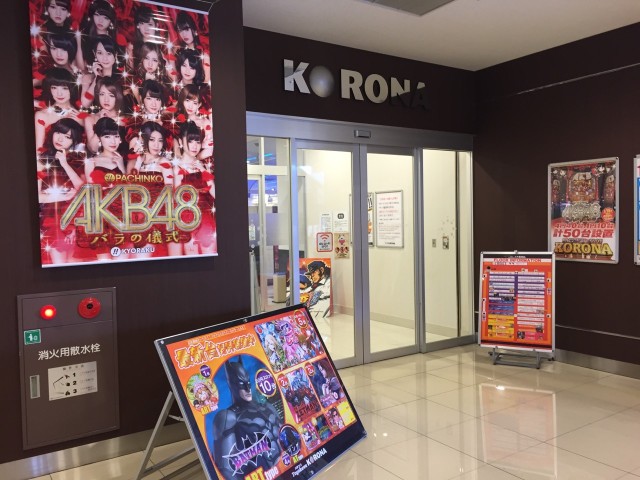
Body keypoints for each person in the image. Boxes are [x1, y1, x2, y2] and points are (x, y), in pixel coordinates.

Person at [212, 356, 282, 479]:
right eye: (241, 384)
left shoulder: (267, 407)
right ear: (232, 384)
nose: (247, 388)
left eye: (248, 383)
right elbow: (226, 470)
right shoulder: (228, 418)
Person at [37, 118, 85, 265]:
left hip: (75, 219)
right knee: (60, 266)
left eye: (67, 137)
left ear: (74, 141)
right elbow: (38, 197)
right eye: (58, 132)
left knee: (75, 265)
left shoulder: (76, 161)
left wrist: (64, 163)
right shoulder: (42, 160)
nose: (60, 139)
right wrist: (63, 196)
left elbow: (81, 188)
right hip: (52, 219)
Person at [81, 117, 126, 261]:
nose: (113, 141)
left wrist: (121, 166)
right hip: (101, 216)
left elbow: (129, 189)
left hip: (121, 216)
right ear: (99, 138)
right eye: (107, 136)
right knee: (104, 261)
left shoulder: (122, 160)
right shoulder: (91, 162)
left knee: (124, 262)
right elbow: (90, 193)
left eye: (116, 136)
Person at [174, 121, 216, 255]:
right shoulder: (176, 168)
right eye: (190, 141)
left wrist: (202, 170)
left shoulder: (202, 166)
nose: (194, 146)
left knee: (210, 258)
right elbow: (175, 200)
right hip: (187, 220)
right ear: (180, 142)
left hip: (206, 220)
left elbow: (215, 194)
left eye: (197, 142)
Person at [35, 68, 84, 151]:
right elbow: (38, 150)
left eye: (64, 88)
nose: (59, 93)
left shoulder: (81, 114)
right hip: (49, 158)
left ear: (71, 88)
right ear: (49, 89)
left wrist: (83, 123)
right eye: (54, 88)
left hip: (77, 158)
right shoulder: (42, 115)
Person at [84, 76, 124, 154]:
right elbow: (93, 149)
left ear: (117, 97)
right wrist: (101, 123)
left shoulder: (124, 120)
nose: (106, 99)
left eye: (111, 95)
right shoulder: (90, 118)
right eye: (102, 94)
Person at [80, 35, 120, 108]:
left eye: (109, 53)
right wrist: (97, 78)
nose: (105, 58)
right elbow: (85, 104)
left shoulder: (122, 78)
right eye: (100, 53)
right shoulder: (88, 78)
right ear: (94, 53)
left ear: (115, 55)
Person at [173, 11, 210, 83]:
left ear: (194, 29)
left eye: (186, 29)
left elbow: (206, 80)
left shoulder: (203, 54)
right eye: (180, 30)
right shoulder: (178, 52)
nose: (184, 34)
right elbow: (175, 78)